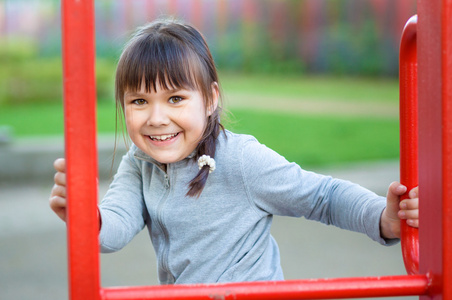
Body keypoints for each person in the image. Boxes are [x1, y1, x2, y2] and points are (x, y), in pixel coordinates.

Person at [49, 18, 419, 285]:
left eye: (175, 98)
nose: (157, 118)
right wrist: (86, 216)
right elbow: (113, 230)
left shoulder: (240, 160)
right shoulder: (139, 162)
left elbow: (321, 195)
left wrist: (381, 218)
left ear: (210, 99)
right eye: (140, 101)